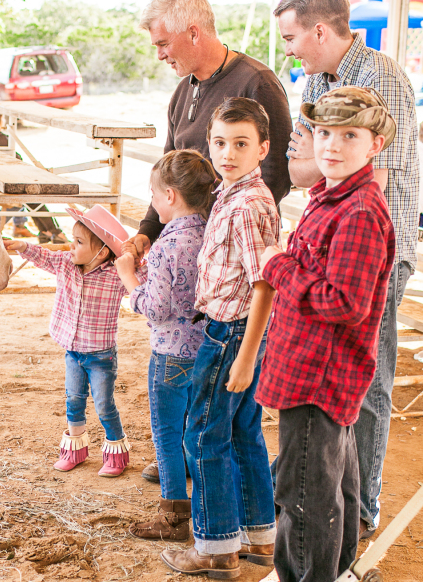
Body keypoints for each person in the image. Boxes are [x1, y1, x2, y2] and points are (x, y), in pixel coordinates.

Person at [274, 0, 420, 540]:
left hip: (371, 240)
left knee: (369, 378)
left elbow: (369, 179)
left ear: (319, 30)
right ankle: (326, 497)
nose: (288, 48)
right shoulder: (316, 81)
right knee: (333, 370)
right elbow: (300, 173)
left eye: (291, 37)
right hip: (328, 234)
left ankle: (360, 511)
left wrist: (318, 164)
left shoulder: (380, 75)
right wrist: (317, 167)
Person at [256, 86, 396, 582]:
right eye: (324, 132)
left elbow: (344, 302)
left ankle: (307, 575)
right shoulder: (331, 197)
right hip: (313, 368)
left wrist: (278, 267)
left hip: (318, 376)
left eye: (349, 135)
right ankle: (337, 570)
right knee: (335, 479)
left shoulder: (357, 212)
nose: (331, 146)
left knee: (304, 493)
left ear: (375, 144)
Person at [160, 97, 280, 579]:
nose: (228, 153)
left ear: (263, 148)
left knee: (203, 434)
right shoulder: (233, 193)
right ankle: (258, 535)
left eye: (241, 144)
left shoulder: (247, 205)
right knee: (241, 431)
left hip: (231, 334)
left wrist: (247, 355)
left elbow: (263, 282)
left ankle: (214, 547)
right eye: (220, 143)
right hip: (234, 332)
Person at [126, 0, 292, 284]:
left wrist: (215, 229)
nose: (160, 55)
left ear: (193, 33)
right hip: (190, 251)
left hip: (236, 258)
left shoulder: (257, 82)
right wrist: (147, 230)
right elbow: (168, 171)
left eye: (163, 43)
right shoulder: (183, 90)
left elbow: (276, 176)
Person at [116, 150, 215, 541]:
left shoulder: (165, 246)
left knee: (167, 434)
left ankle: (173, 516)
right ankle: (210, 508)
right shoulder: (205, 233)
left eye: (154, 195)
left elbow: (155, 309)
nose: (153, 203)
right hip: (204, 349)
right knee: (197, 431)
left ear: (170, 196)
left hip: (170, 354)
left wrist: (129, 278)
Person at [3, 206, 145, 477]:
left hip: (101, 356)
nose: (71, 246)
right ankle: (75, 451)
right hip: (72, 352)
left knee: (104, 405)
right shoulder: (65, 264)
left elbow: (145, 276)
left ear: (102, 252)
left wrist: (134, 256)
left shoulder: (116, 275)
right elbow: (43, 255)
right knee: (74, 400)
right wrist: (22, 245)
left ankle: (116, 451)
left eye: (79, 243)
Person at [0, 94, 68, 243]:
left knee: (28, 197)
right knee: (32, 195)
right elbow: (18, 161)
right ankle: (54, 232)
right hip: (2, 184)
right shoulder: (3, 139)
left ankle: (47, 231)